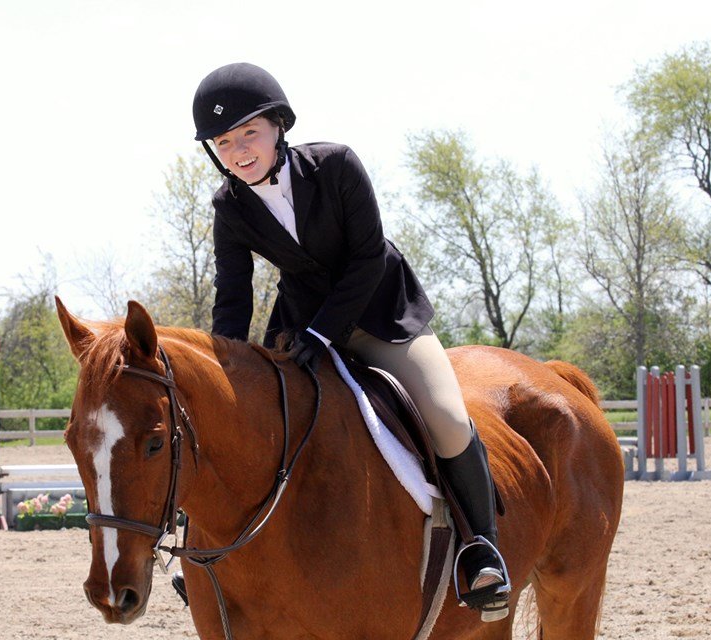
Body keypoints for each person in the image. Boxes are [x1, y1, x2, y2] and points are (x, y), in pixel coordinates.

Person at [187, 62, 510, 621]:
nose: (238, 150)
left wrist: (322, 331)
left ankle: (482, 550)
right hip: (302, 328)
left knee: (449, 418)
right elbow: (233, 297)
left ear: (278, 125)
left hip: (382, 314)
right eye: (224, 141)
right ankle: (215, 560)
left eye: (248, 133)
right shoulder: (229, 207)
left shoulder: (335, 165)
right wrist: (224, 373)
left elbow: (367, 260)